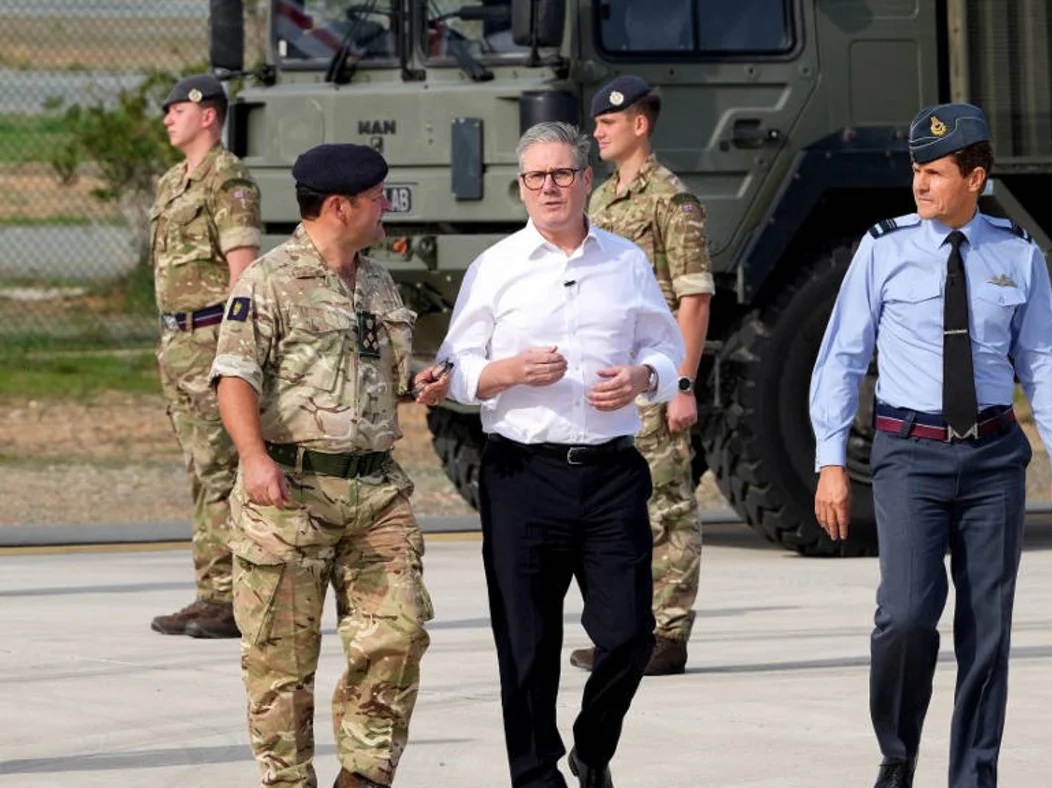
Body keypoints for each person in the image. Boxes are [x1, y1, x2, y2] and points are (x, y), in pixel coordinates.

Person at [808, 103, 1052, 788]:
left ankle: (973, 776)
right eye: (916, 170)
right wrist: (830, 460)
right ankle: (898, 753)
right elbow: (842, 357)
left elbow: (1044, 361)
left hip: (994, 460)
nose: (919, 184)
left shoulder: (1017, 253)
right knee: (906, 616)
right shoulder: (884, 248)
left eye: (934, 172)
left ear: (975, 178)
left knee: (987, 630)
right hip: (910, 455)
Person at [437, 121, 685, 788]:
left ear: (586, 180)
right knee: (526, 645)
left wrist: (643, 378)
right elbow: (453, 371)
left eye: (562, 174)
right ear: (521, 188)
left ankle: (592, 748)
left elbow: (667, 350)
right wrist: (509, 371)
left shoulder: (626, 262)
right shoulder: (495, 268)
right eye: (536, 176)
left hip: (610, 474)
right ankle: (535, 776)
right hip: (522, 474)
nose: (549, 187)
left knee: (630, 636)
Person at [211, 143, 446, 788]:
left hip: (375, 492)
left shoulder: (378, 281)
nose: (386, 207)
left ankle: (364, 777)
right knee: (281, 666)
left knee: (399, 634)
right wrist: (254, 458)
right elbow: (233, 376)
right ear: (341, 207)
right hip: (290, 497)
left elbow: (382, 376)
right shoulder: (268, 280)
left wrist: (419, 382)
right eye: (377, 198)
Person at [569, 74, 711, 677]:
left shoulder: (672, 200)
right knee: (618, 513)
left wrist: (681, 384)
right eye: (597, 122)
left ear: (640, 124)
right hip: (611, 382)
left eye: (608, 122)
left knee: (666, 507)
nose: (597, 131)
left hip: (654, 378)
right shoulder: (601, 199)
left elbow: (694, 298)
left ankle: (668, 635)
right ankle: (626, 634)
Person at [148, 73, 261, 640]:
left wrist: (232, 351)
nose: (168, 118)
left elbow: (242, 269)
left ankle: (237, 599)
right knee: (201, 469)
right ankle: (212, 592)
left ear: (208, 114)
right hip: (178, 344)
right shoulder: (173, 181)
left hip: (213, 337)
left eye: (177, 109)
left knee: (222, 469)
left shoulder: (228, 179)